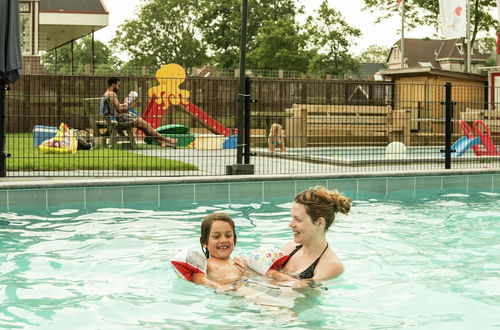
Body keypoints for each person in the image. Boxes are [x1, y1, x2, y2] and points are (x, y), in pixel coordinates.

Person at [266, 186, 351, 282]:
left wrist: (273, 273)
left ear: (319, 223)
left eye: (298, 219)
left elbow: (305, 292)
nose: (290, 224)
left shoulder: (331, 266)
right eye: (292, 218)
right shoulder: (289, 248)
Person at [102, 77, 177, 147]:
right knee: (145, 124)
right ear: (113, 84)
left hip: (112, 119)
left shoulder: (106, 93)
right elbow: (119, 110)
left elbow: (117, 107)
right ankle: (165, 139)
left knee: (144, 126)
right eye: (118, 85)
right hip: (119, 119)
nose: (118, 87)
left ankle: (161, 141)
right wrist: (129, 106)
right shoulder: (112, 94)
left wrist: (125, 104)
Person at [192, 212, 249, 289]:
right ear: (204, 242)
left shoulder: (240, 262)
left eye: (228, 236)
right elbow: (198, 278)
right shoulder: (206, 263)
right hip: (228, 289)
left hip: (246, 285)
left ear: (234, 241)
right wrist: (218, 286)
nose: (223, 240)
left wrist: (246, 272)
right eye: (216, 236)